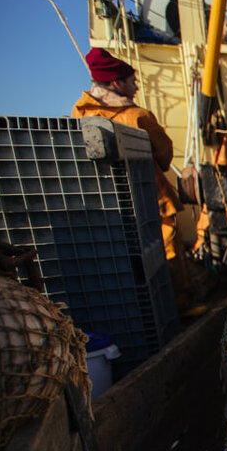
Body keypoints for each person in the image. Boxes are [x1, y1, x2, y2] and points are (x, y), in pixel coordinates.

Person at [72, 48, 192, 306]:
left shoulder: (80, 113)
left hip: (106, 208)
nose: (136, 87)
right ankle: (180, 307)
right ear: (116, 83)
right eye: (132, 81)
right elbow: (164, 154)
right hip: (151, 203)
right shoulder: (138, 116)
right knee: (167, 252)